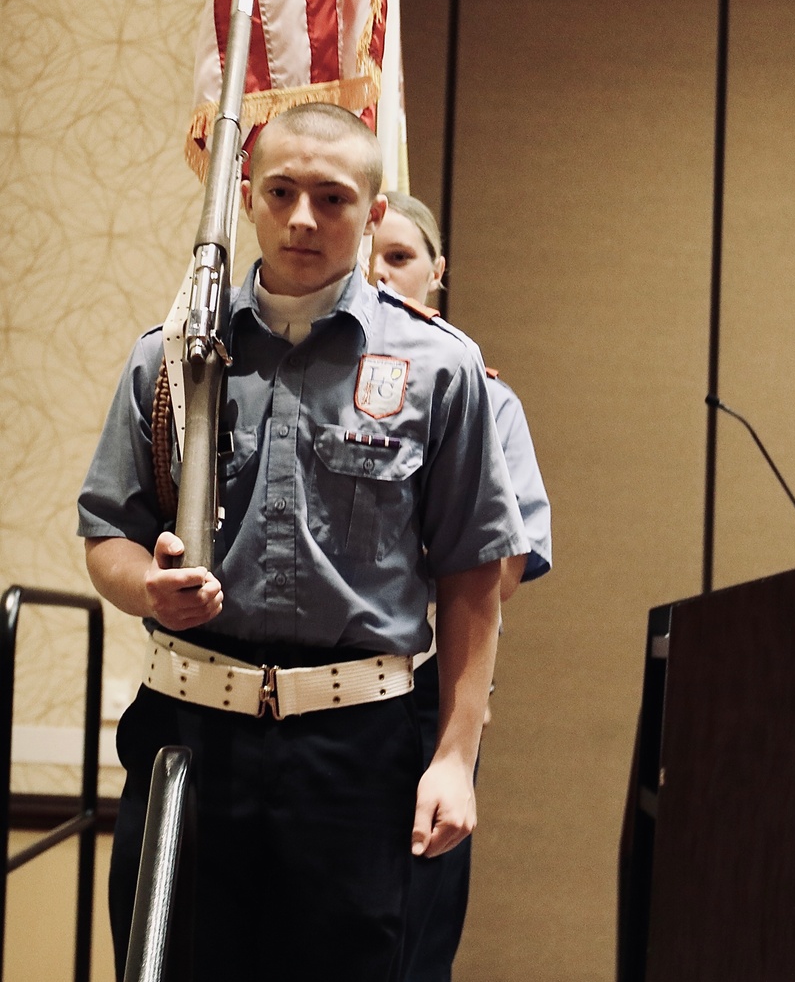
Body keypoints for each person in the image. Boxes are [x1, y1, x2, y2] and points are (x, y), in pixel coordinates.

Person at [77, 104, 529, 982]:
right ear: (246, 196)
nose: (302, 219)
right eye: (281, 191)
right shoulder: (171, 357)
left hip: (358, 757)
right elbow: (109, 534)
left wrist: (455, 758)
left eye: (332, 197)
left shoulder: (441, 369)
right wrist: (147, 589)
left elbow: (474, 576)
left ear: (373, 210)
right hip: (189, 739)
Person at [371, 192, 552, 982]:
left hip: (422, 700)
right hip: (314, 700)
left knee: (413, 944)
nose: (380, 270)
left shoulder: (484, 397)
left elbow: (502, 569)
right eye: (369, 254)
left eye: (402, 256)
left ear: (437, 273)